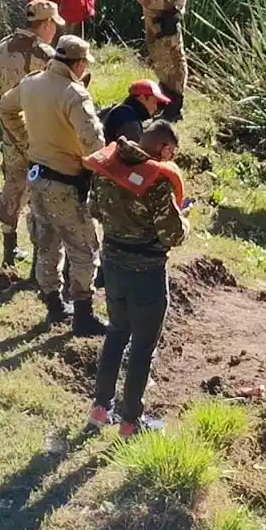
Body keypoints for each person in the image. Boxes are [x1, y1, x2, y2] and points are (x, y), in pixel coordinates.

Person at [83, 121, 190, 437]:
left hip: (113, 265)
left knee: (116, 333)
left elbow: (94, 210)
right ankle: (130, 422)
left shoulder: (106, 167)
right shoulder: (156, 182)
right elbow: (171, 235)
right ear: (165, 148)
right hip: (146, 273)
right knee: (142, 348)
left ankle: (100, 408)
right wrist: (184, 220)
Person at [0, 35, 108, 336]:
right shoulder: (75, 94)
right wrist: (94, 168)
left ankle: (54, 304)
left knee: (45, 243)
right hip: (65, 181)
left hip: (37, 177)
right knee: (83, 247)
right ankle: (83, 316)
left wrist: (25, 141)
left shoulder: (32, 83)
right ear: (79, 63)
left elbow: (5, 108)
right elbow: (93, 143)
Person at [0, 0, 63, 267]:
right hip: (41, 140)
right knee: (41, 198)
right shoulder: (48, 57)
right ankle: (38, 261)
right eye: (54, 24)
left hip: (10, 136)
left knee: (12, 189)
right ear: (45, 23)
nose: (55, 31)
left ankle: (9, 252)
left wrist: (9, 130)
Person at [102, 79, 171, 144]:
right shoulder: (129, 119)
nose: (156, 107)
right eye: (154, 102)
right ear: (142, 97)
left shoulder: (123, 110)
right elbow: (133, 154)